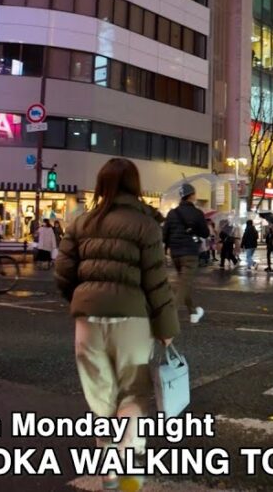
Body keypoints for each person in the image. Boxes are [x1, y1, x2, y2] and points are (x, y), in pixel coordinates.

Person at [54, 158, 178, 491]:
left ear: (102, 184)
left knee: (100, 397)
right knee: (133, 393)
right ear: (135, 185)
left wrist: (83, 299)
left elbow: (63, 274)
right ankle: (126, 465)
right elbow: (156, 281)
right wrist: (166, 328)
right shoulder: (145, 224)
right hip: (132, 318)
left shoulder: (81, 223)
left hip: (87, 320)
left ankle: (108, 471)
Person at [163, 183, 209, 324]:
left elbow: (165, 235)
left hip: (175, 253)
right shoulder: (197, 213)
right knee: (183, 284)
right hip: (190, 253)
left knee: (185, 283)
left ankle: (193, 312)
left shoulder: (172, 213)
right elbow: (205, 233)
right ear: (192, 195)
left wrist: (167, 249)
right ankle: (169, 316)